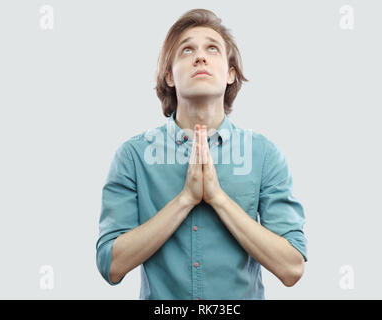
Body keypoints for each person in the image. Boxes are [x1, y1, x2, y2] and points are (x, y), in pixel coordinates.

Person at [96, 8, 307, 300]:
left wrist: (218, 198)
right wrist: (186, 199)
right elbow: (111, 265)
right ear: (169, 76)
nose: (200, 56)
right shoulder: (133, 156)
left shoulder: (264, 155)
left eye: (212, 48)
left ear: (230, 74)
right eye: (186, 50)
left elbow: (292, 267)